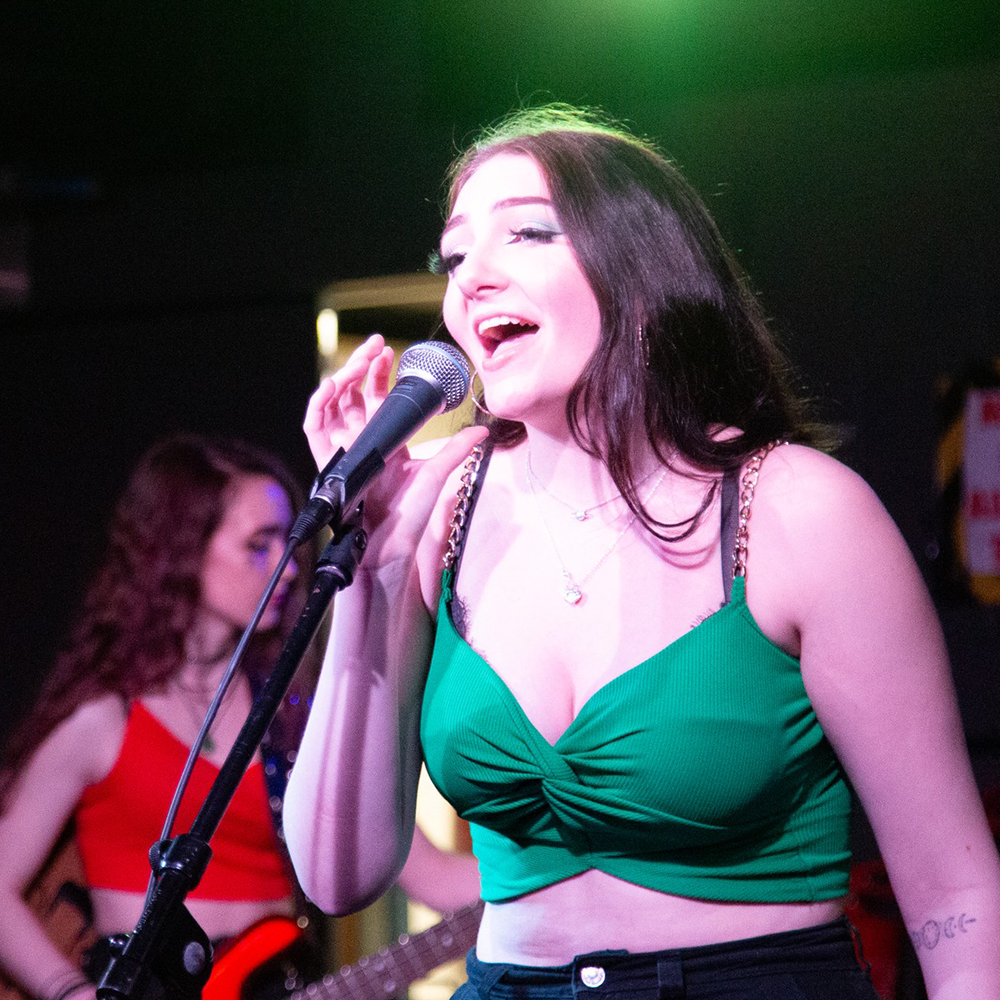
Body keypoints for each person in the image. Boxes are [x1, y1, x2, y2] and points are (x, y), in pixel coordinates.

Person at [282, 104, 1000, 999]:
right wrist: (372, 576)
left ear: (641, 269)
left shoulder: (795, 511)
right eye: (456, 257)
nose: (472, 280)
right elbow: (337, 876)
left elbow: (954, 887)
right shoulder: (438, 517)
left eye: (529, 233)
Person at [0, 434, 315, 1000]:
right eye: (260, 544)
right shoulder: (105, 719)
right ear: (185, 550)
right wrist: (69, 992)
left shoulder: (289, 717)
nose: (289, 568)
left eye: (288, 543)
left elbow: (421, 869)